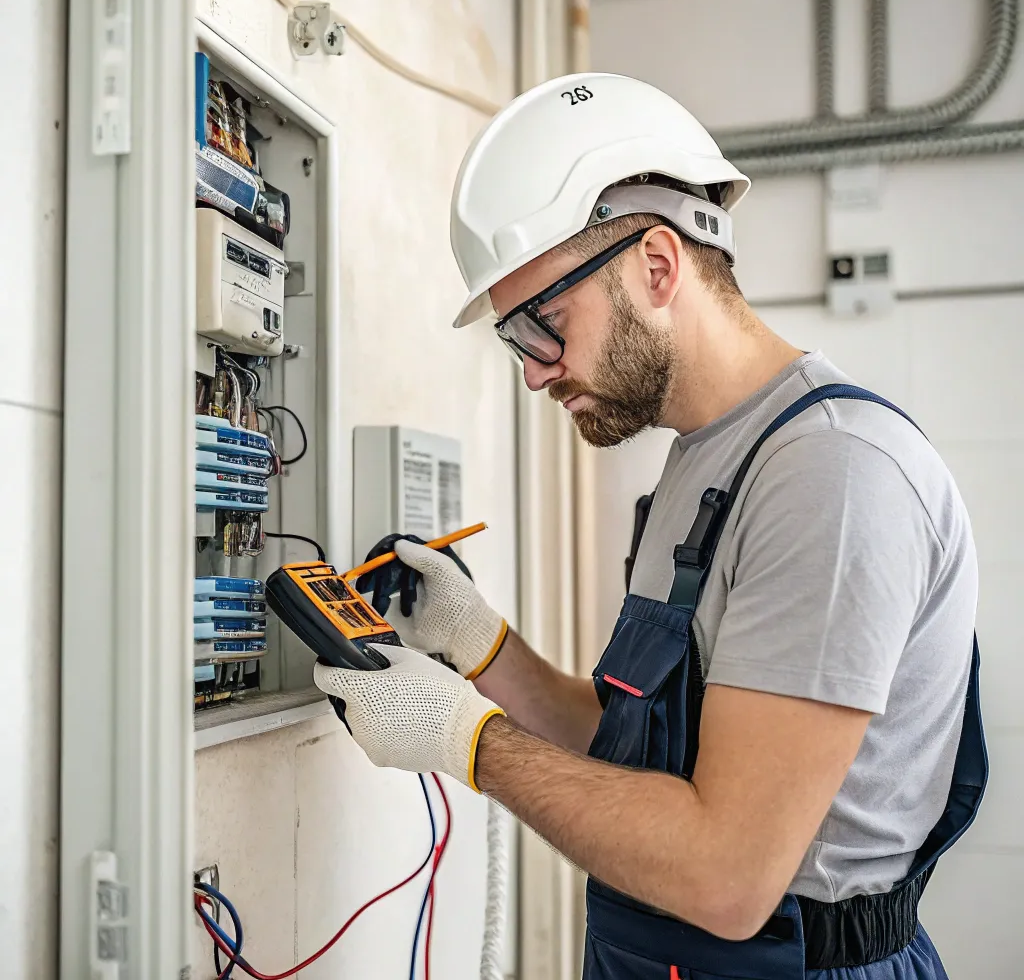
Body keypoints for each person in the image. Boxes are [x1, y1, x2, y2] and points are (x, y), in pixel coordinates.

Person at [313, 73, 986, 980]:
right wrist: (482, 649)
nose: (535, 374)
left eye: (541, 326)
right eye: (518, 340)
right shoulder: (706, 458)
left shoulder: (831, 472)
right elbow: (633, 749)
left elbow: (728, 877)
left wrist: (467, 741)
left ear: (658, 267)